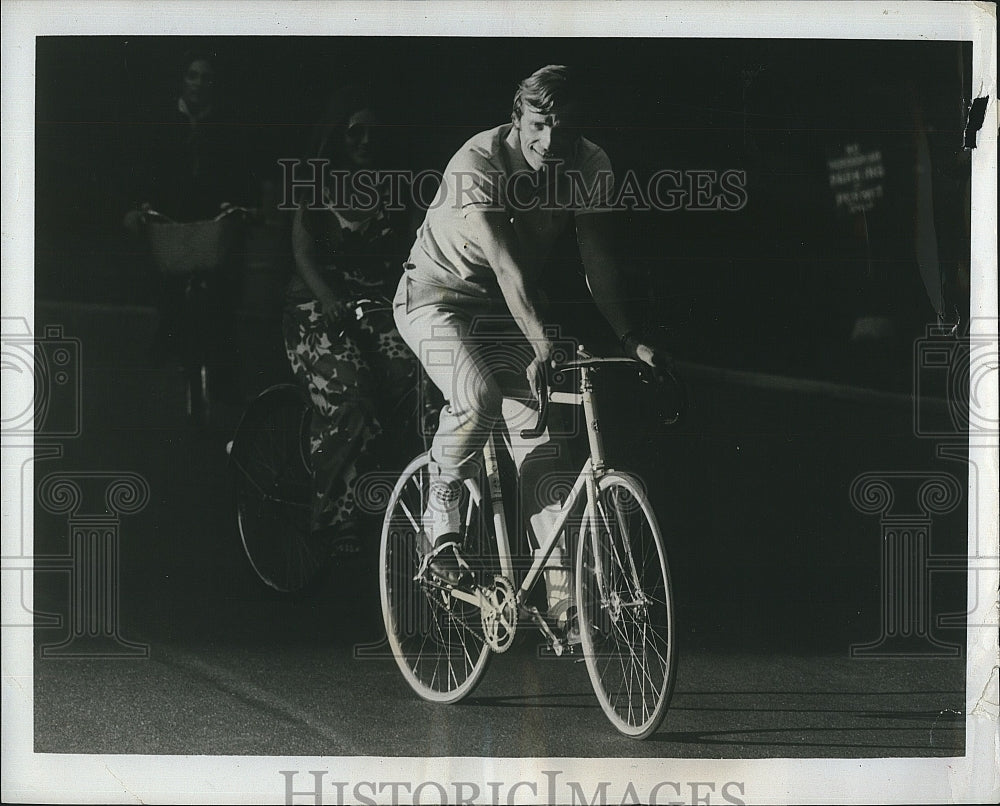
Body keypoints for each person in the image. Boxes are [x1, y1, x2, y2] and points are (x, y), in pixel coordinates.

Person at [393, 65, 669, 633]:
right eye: (539, 126)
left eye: (563, 131)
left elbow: (598, 261)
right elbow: (505, 264)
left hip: (503, 311)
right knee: (479, 394)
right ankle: (439, 507)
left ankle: (566, 601)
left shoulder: (590, 164)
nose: (551, 143)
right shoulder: (477, 163)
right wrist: (542, 341)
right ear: (516, 118)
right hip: (435, 297)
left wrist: (630, 338)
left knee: (545, 439)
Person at [283, 85, 419, 555]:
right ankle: (334, 515)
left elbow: (410, 252)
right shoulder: (316, 184)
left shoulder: (392, 188)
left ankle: (394, 497)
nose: (365, 142)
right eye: (355, 133)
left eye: (373, 135)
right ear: (338, 136)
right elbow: (302, 254)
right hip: (317, 310)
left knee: (416, 381)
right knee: (353, 396)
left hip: (374, 306)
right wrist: (329, 299)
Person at [124, 51, 254, 392]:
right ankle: (166, 335)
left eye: (205, 77)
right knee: (166, 283)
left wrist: (242, 206)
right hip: (170, 218)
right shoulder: (161, 122)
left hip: (213, 219)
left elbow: (243, 173)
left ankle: (224, 372)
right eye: (192, 75)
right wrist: (137, 207)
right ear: (182, 81)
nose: (198, 84)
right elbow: (141, 169)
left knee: (224, 289)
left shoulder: (227, 126)